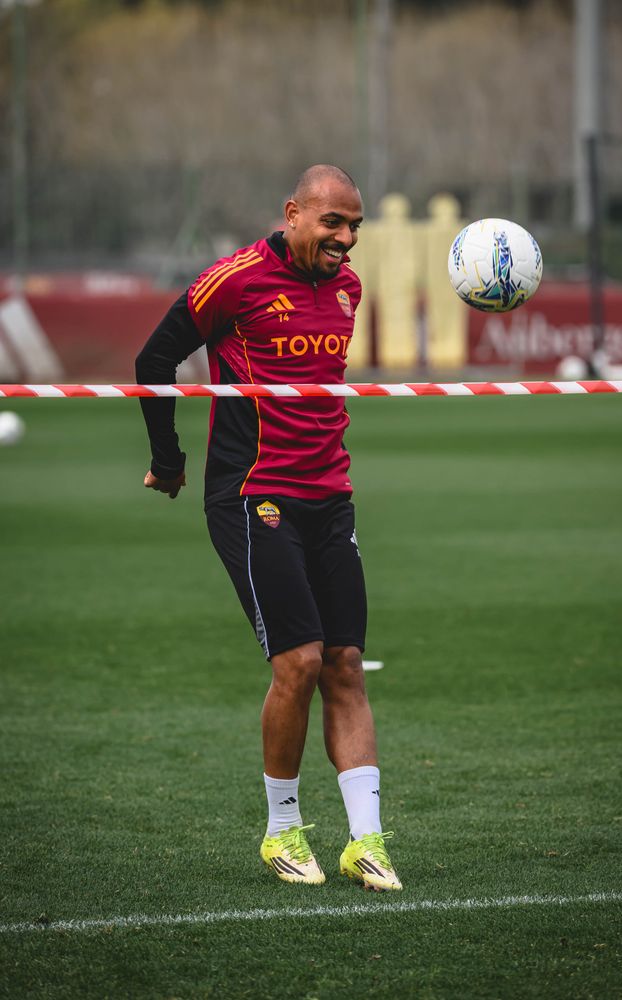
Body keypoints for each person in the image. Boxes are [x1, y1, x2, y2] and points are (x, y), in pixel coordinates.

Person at [136, 164, 401, 891]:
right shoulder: (236, 278)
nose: (346, 239)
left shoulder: (346, 289)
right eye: (333, 223)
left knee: (345, 663)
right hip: (254, 495)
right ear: (292, 213)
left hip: (330, 496)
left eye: (355, 226)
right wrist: (170, 459)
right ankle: (282, 829)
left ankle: (366, 842)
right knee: (300, 663)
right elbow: (154, 360)